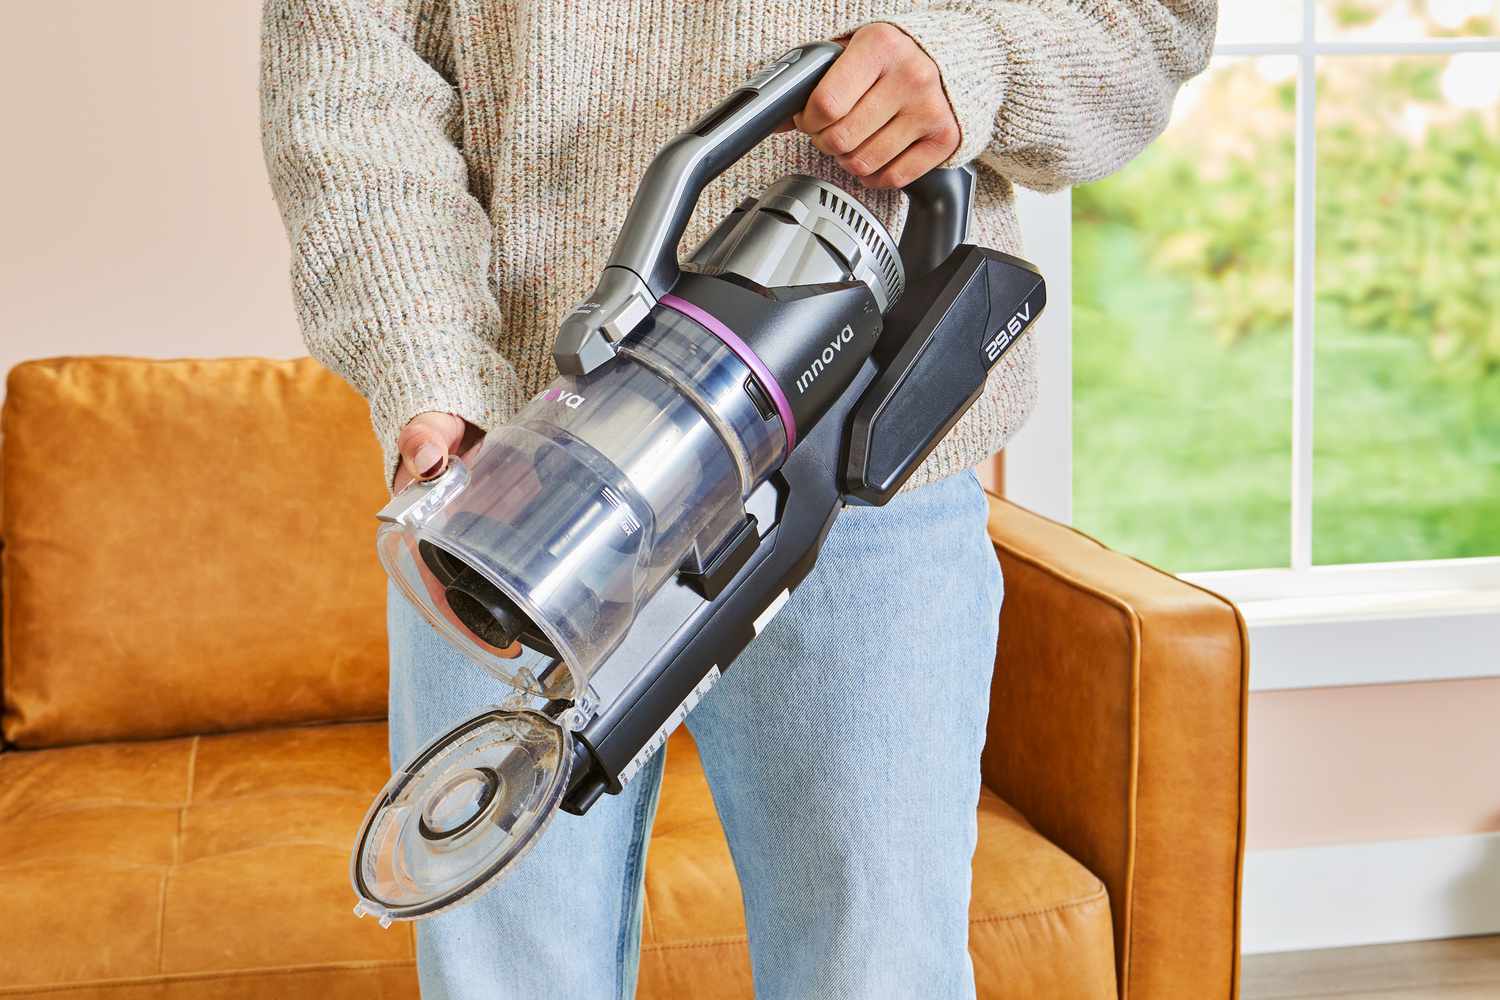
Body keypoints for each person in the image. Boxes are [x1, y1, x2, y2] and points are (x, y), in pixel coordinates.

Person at [261, 3, 1215, 997]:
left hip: (860, 477)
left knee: (871, 972)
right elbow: (346, 78)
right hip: (517, 480)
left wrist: (973, 61)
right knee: (508, 978)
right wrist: (430, 363)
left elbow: (1148, 23)